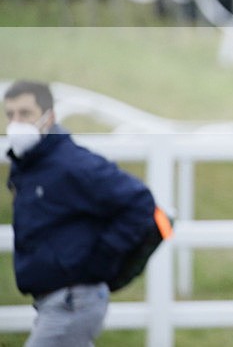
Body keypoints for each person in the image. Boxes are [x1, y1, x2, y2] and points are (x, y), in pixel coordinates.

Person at [4, 80, 157, 346]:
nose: (16, 122)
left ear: (48, 117)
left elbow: (139, 202)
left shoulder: (73, 164)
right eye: (10, 115)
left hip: (72, 303)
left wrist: (101, 260)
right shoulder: (28, 168)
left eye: (25, 113)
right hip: (52, 303)